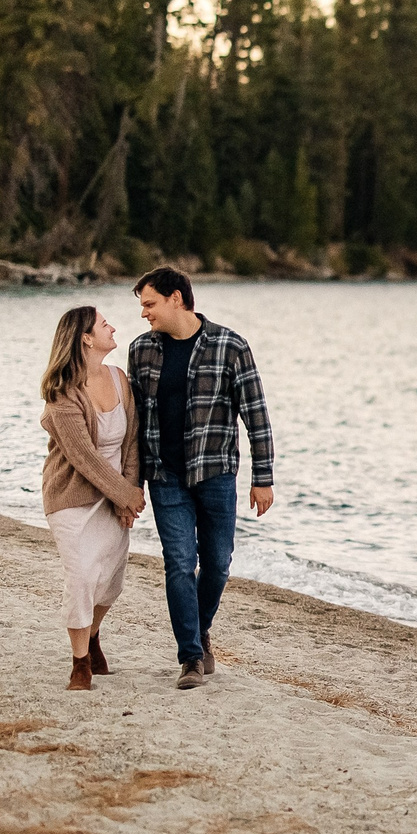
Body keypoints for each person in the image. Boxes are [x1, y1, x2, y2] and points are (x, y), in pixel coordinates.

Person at [129, 267, 275, 689]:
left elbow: (257, 417)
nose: (144, 314)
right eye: (142, 306)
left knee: (217, 565)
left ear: (177, 298)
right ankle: (191, 657)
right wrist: (131, 483)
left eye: (149, 304)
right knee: (178, 563)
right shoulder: (141, 351)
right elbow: (135, 424)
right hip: (164, 476)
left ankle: (200, 627)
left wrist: (262, 478)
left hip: (215, 474)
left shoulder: (230, 346)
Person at [39, 305, 144, 691]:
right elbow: (84, 458)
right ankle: (79, 662)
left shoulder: (119, 378)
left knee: (111, 582)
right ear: (86, 337)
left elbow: (133, 440)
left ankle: (93, 633)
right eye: (104, 324)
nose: (113, 328)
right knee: (82, 576)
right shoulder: (61, 393)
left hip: (115, 496)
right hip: (72, 499)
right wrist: (125, 494)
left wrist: (130, 492)